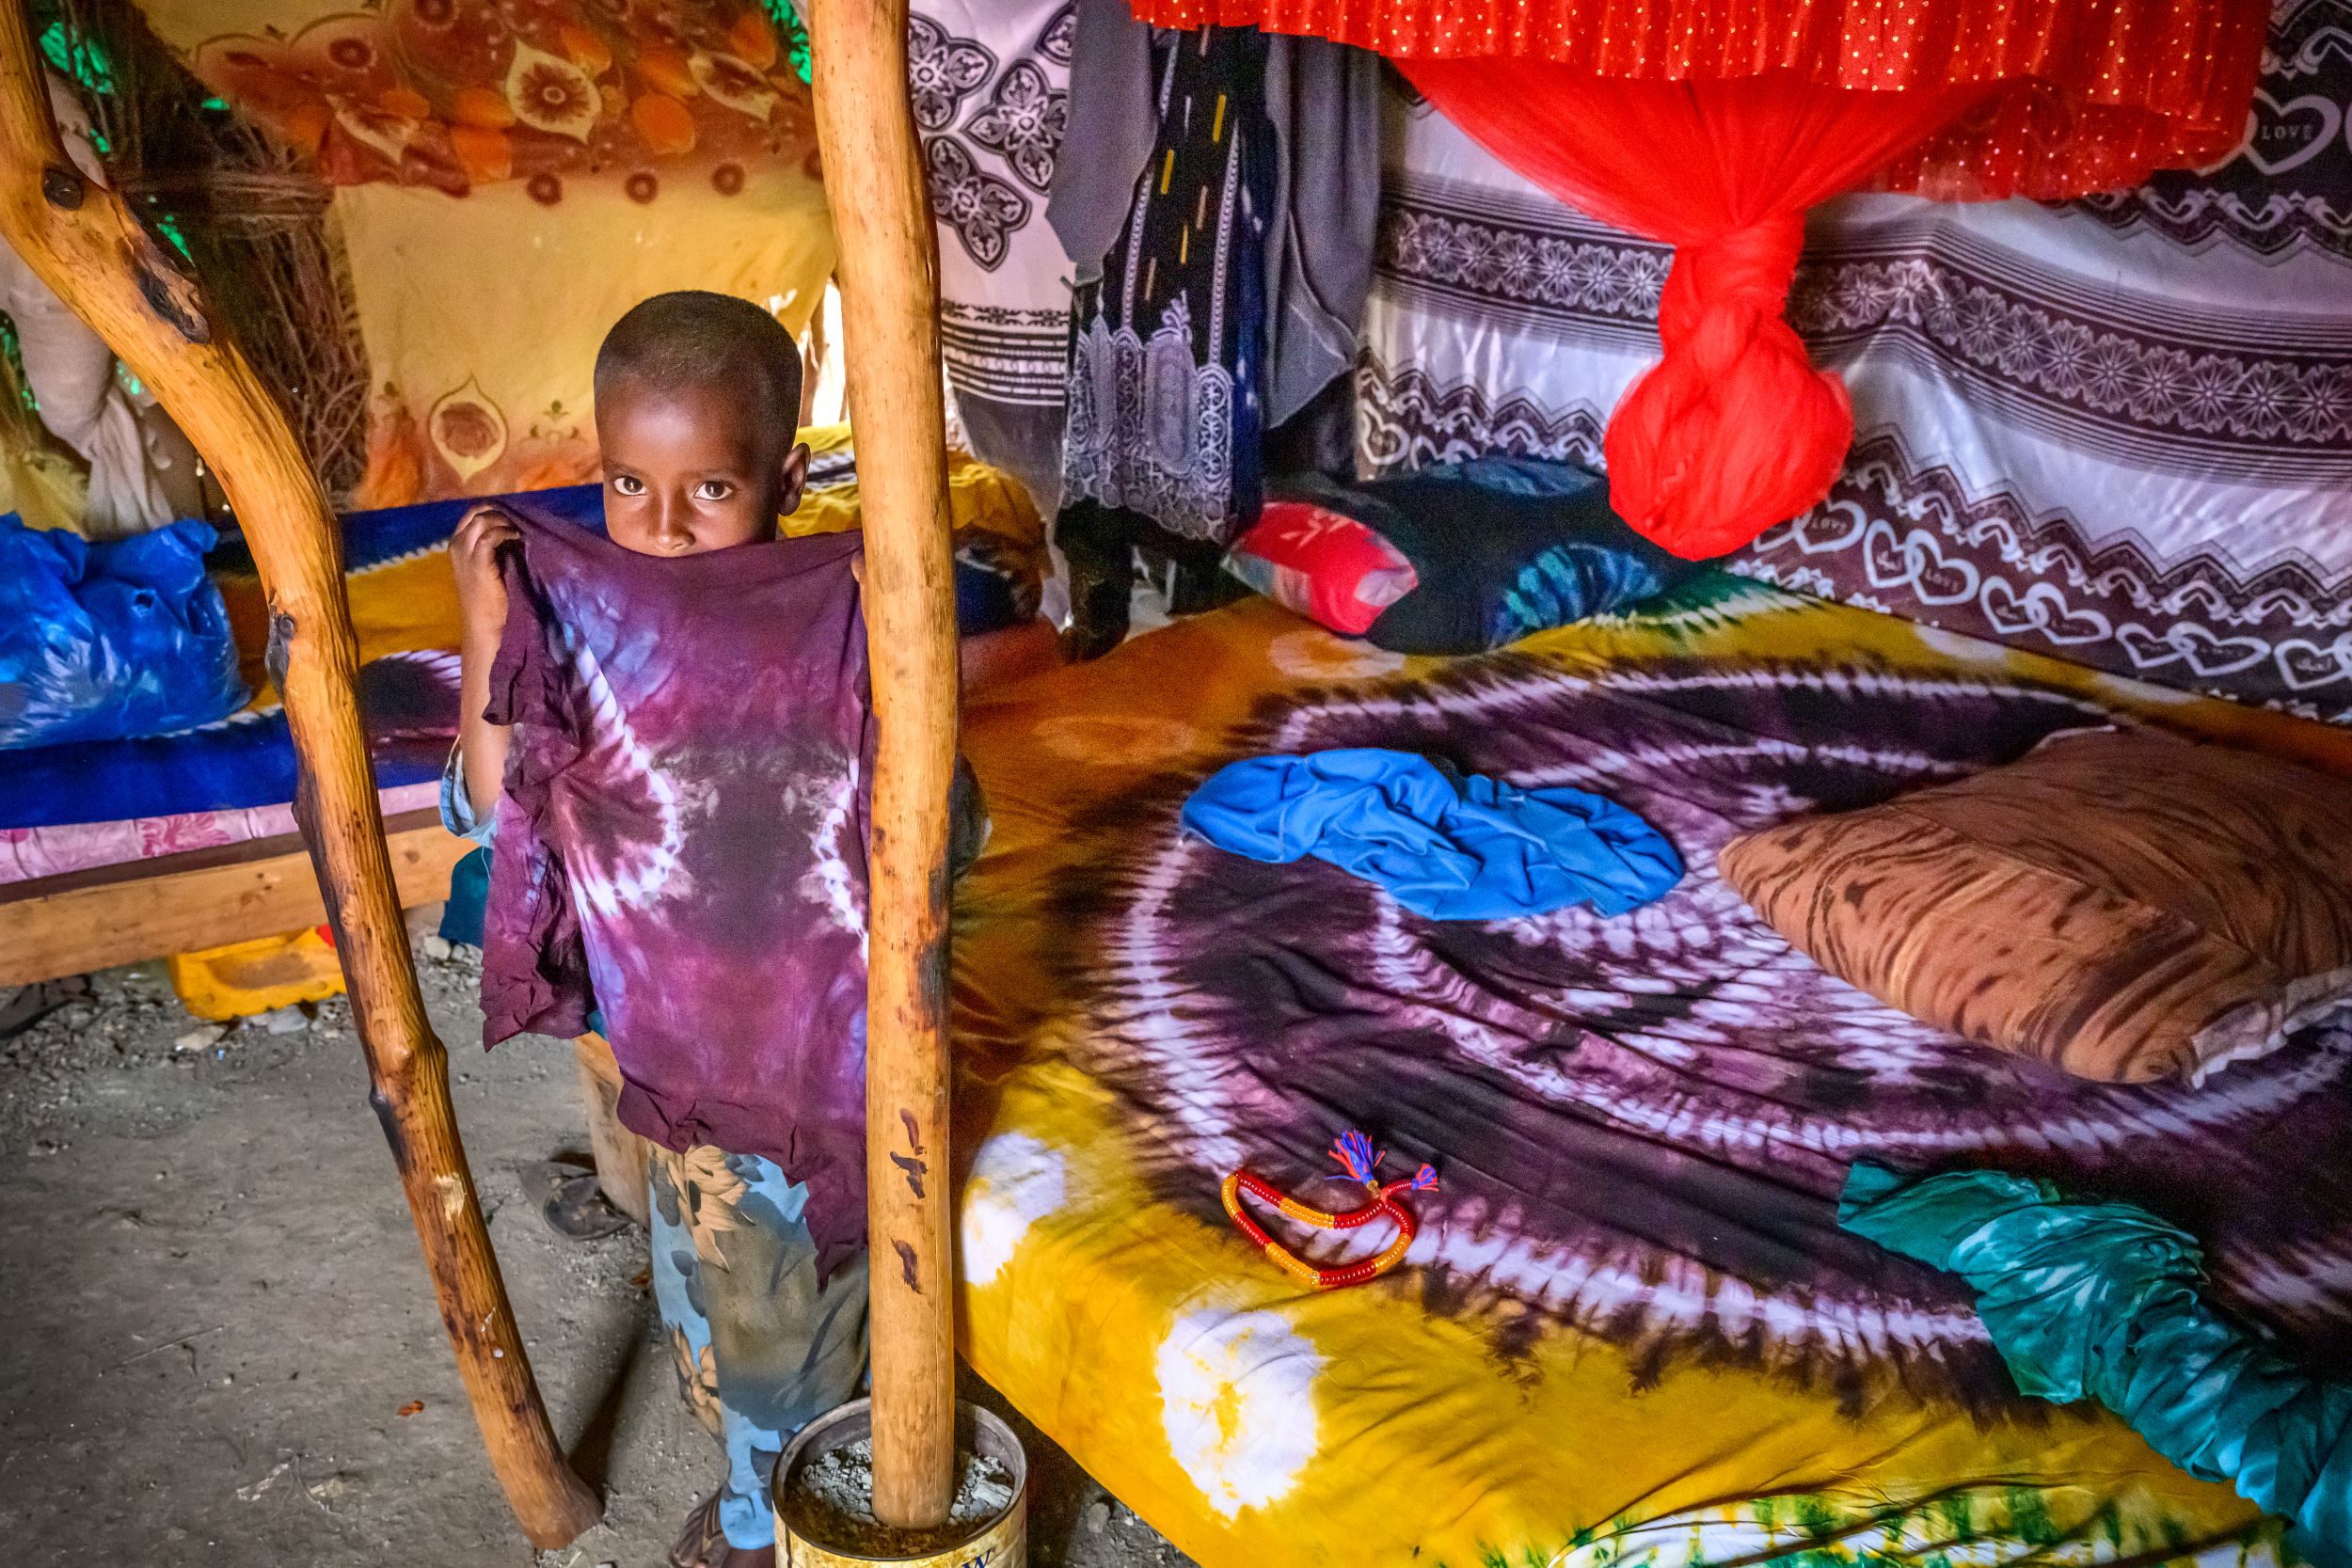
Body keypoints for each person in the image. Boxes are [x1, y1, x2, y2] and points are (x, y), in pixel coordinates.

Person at [444, 291, 890, 1568]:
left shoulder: (844, 617)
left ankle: (771, 1526)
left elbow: (939, 829)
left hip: (804, 1058)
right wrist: (487, 628)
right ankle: (756, 1483)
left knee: (783, 1326)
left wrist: (888, 650)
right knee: (703, 1292)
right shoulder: (592, 620)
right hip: (669, 1047)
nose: (665, 525)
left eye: (712, 490)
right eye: (629, 486)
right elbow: (488, 807)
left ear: (787, 482)